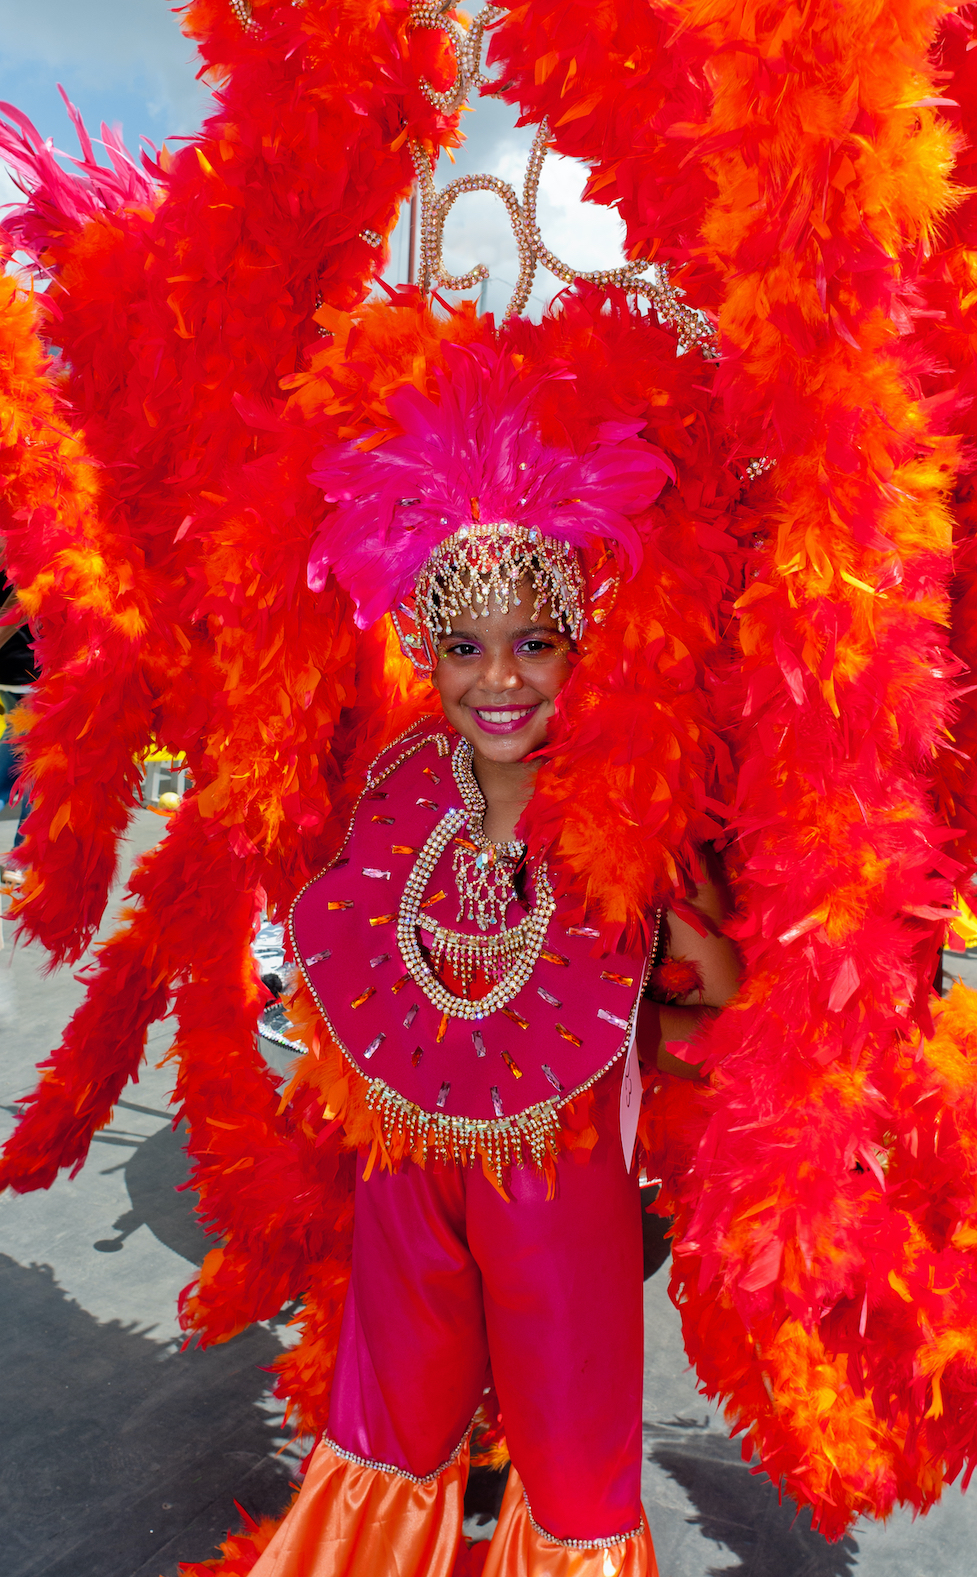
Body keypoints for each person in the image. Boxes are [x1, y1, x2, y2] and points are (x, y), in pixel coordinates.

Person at [243, 351, 741, 1577]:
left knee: (572, 1456)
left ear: (579, 644)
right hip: (407, 1163)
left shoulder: (632, 802)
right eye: (462, 646)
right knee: (388, 1419)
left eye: (532, 642)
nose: (498, 679)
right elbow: (343, 940)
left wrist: (647, 905)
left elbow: (727, 991)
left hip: (562, 1180)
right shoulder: (407, 782)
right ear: (427, 648)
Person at [0, 565, 35, 887]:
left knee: (19, 762)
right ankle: (19, 858)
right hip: (25, 677)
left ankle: (20, 857)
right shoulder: (26, 555)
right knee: (33, 770)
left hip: (21, 677)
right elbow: (12, 612)